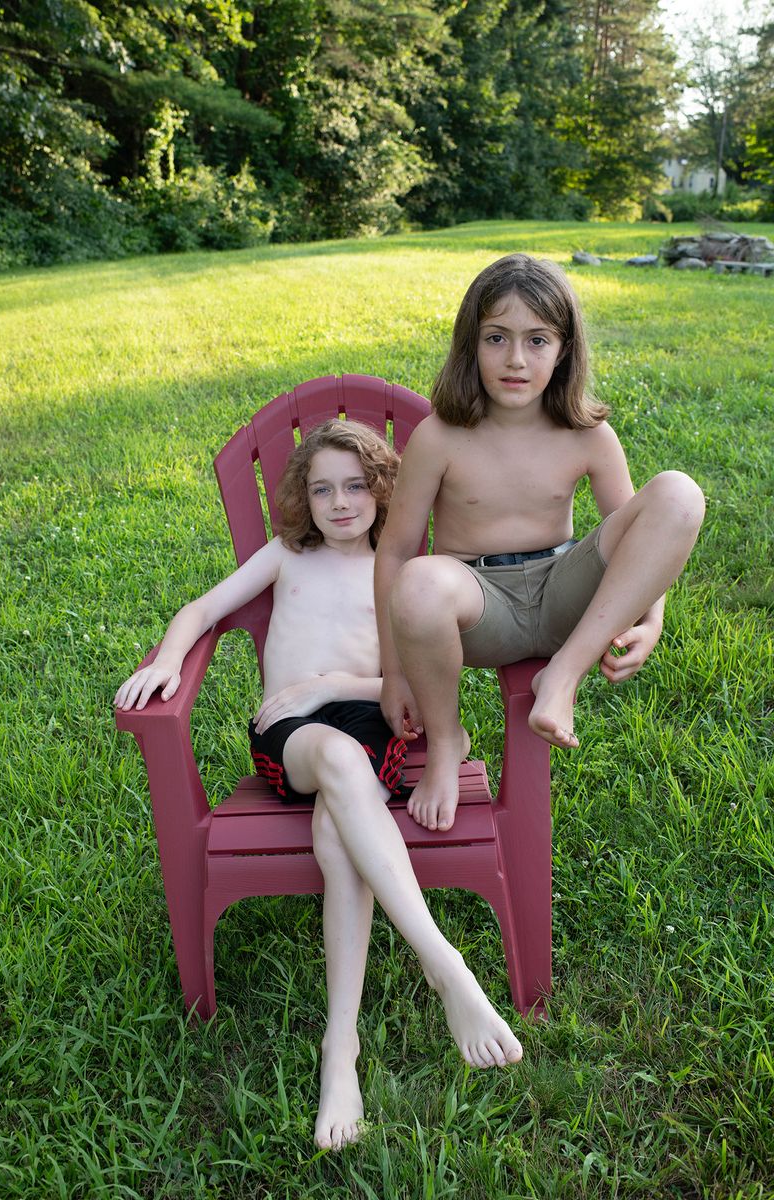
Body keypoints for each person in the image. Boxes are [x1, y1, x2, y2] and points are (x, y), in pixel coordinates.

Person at [114, 418, 523, 1153]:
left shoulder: (401, 572)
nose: (340, 503)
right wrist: (171, 660)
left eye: (357, 486)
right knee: (337, 762)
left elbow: (437, 664)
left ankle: (342, 1053)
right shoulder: (285, 558)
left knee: (340, 832)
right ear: (303, 498)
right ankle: (445, 965)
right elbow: (202, 611)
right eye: (323, 489)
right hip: (292, 743)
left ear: (385, 491)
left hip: (373, 732)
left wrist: (335, 683)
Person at [375, 253, 705, 835]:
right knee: (420, 579)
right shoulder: (439, 436)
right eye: (497, 338)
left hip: (565, 597)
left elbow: (639, 543)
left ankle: (563, 678)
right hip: (479, 609)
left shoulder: (587, 433)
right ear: (469, 344)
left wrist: (649, 620)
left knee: (678, 495)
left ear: (565, 350)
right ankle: (449, 741)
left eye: (537, 340)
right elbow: (397, 551)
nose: (516, 360)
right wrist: (394, 673)